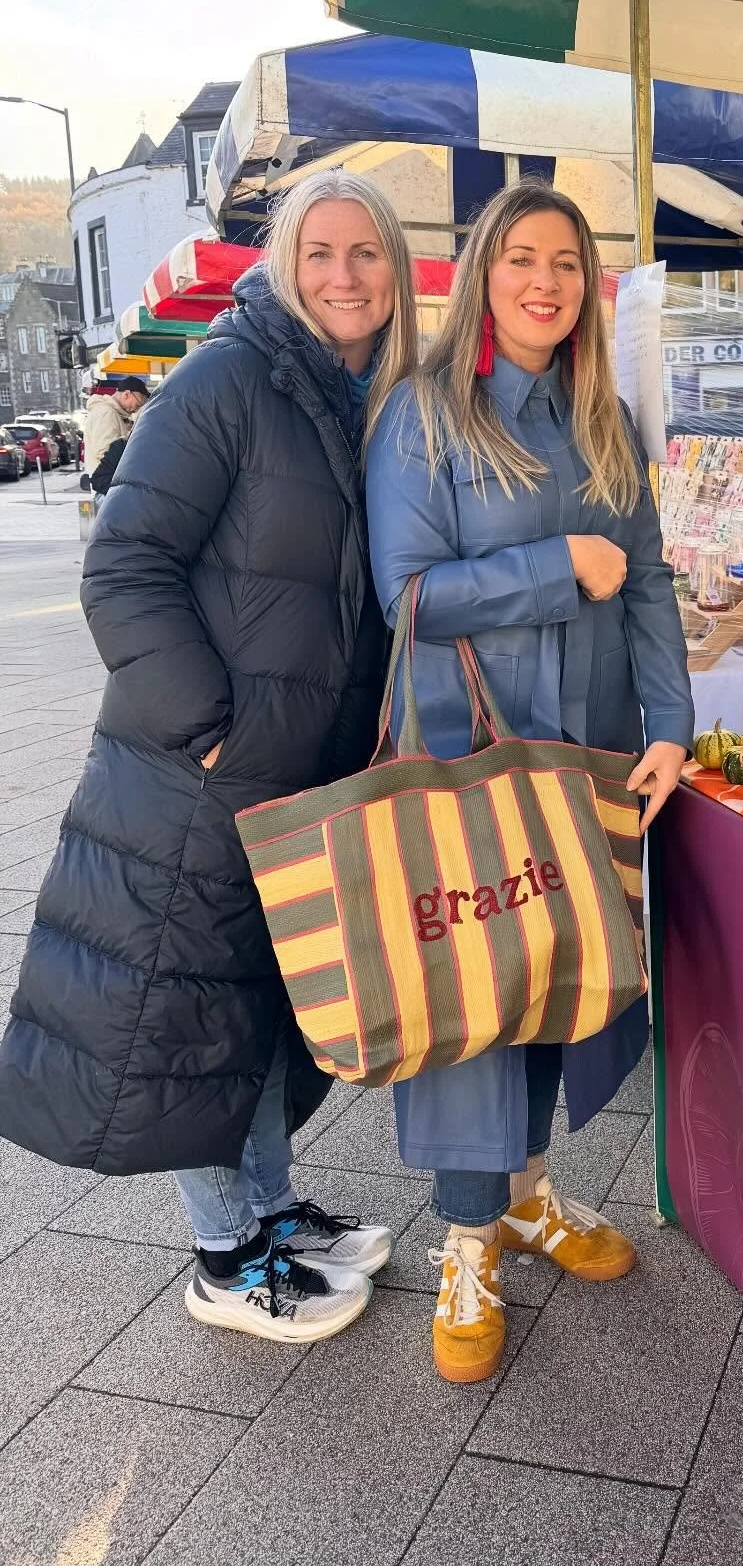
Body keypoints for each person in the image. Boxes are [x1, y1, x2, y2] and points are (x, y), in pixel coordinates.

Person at [0, 170, 420, 1343]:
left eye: (367, 254)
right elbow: (123, 564)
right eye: (322, 252)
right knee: (189, 1009)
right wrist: (209, 725)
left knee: (259, 1003)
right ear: (286, 264)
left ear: (394, 273)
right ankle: (225, 1256)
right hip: (201, 776)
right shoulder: (229, 378)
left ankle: (273, 1211)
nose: (346, 275)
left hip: (296, 776)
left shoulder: (362, 393)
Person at [366, 179, 693, 1386]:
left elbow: (648, 578)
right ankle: (465, 1239)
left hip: (596, 752)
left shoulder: (604, 415)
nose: (546, 281)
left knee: (562, 975)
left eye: (566, 262)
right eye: (522, 260)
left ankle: (528, 1197)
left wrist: (672, 719)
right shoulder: (424, 417)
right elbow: (405, 595)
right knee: (475, 998)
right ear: (482, 275)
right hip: (469, 758)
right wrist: (558, 566)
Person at [82, 374, 148, 493]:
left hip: (108, 483)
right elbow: (106, 452)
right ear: (127, 394)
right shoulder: (106, 414)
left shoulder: (113, 414)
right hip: (108, 484)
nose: (136, 409)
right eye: (137, 404)